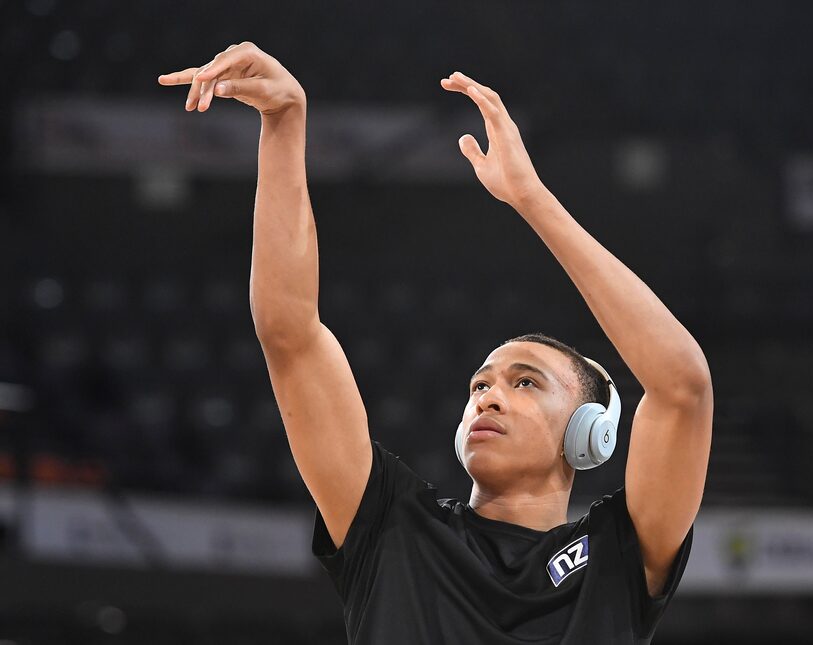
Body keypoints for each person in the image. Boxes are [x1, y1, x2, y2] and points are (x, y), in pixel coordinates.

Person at [159, 42, 714, 644]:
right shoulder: (391, 525)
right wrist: (284, 124)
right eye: (480, 385)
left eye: (525, 381)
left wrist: (532, 200)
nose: (488, 397)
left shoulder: (618, 554)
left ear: (588, 433)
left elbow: (682, 386)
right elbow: (288, 333)